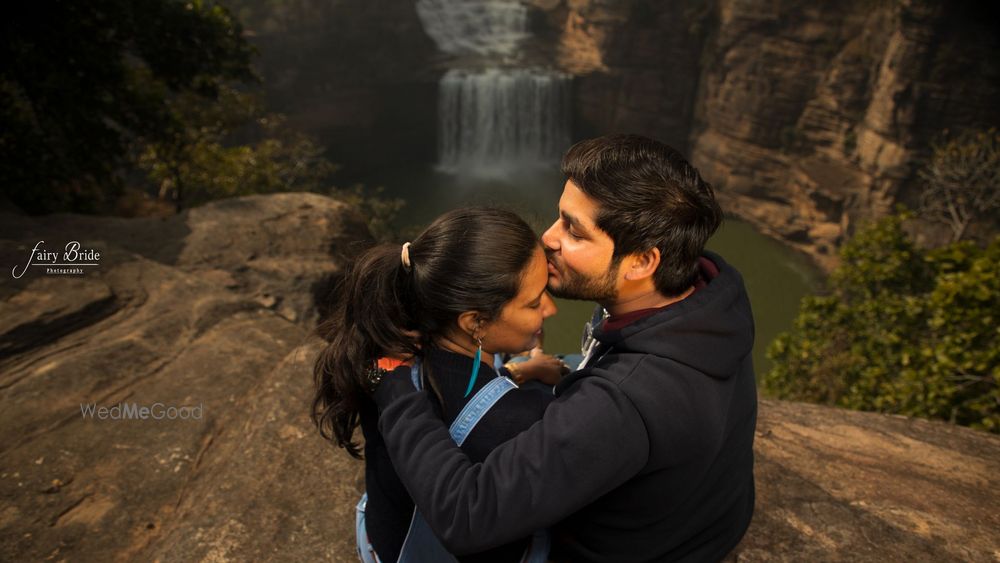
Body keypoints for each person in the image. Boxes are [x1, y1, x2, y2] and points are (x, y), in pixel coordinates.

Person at [372, 134, 758, 562]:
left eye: (574, 230)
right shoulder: (708, 285)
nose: (548, 238)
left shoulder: (620, 402)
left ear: (642, 262)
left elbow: (468, 516)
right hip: (704, 522)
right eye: (559, 217)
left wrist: (393, 386)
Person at [311, 207, 567, 562]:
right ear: (475, 322)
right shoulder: (522, 422)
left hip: (383, 543)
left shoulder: (393, 349)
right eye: (535, 301)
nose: (550, 311)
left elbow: (453, 401)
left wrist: (516, 372)